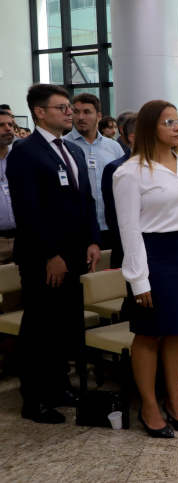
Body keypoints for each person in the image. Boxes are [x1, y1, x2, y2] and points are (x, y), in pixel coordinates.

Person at [113, 99, 178, 438]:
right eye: (168, 122)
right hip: (153, 254)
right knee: (149, 332)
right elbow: (128, 231)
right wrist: (139, 280)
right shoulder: (130, 172)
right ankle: (149, 405)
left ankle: (174, 401)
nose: (177, 127)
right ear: (148, 129)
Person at [8, 84, 101, 424]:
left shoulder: (72, 150)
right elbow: (27, 211)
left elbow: (86, 200)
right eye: (62, 108)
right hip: (42, 258)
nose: (70, 113)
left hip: (75, 253)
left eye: (71, 109)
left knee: (66, 325)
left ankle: (60, 385)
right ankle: (34, 399)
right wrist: (51, 254)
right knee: (39, 328)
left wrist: (92, 240)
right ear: (39, 112)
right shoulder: (26, 151)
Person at [64, 92, 126, 250]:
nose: (80, 117)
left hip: (112, 225)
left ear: (98, 116)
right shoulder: (63, 146)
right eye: (76, 112)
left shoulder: (113, 147)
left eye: (87, 112)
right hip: (79, 228)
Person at [101, 112, 137, 270]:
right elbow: (114, 216)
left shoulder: (161, 167)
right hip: (128, 250)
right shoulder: (116, 168)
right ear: (132, 138)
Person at [0, 109, 17, 266]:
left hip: (22, 238)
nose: (8, 128)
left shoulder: (21, 156)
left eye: (10, 124)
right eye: (1, 125)